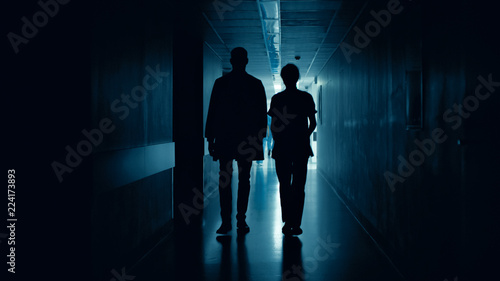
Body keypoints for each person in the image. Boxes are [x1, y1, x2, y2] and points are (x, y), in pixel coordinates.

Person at [205, 47, 268, 234]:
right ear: (246, 61)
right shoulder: (256, 84)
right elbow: (262, 116)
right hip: (247, 138)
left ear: (231, 61)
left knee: (224, 179)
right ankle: (241, 220)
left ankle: (226, 221)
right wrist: (259, 138)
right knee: (244, 179)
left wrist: (210, 137)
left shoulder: (221, 83)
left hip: (225, 137)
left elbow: (213, 112)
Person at [268, 64, 317, 236]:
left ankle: (287, 221)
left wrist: (279, 139)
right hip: (301, 148)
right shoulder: (306, 97)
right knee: (298, 185)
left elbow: (274, 127)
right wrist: (304, 136)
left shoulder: (277, 99)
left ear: (283, 78)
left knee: (284, 185)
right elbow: (313, 124)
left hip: (282, 148)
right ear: (297, 78)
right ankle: (296, 223)